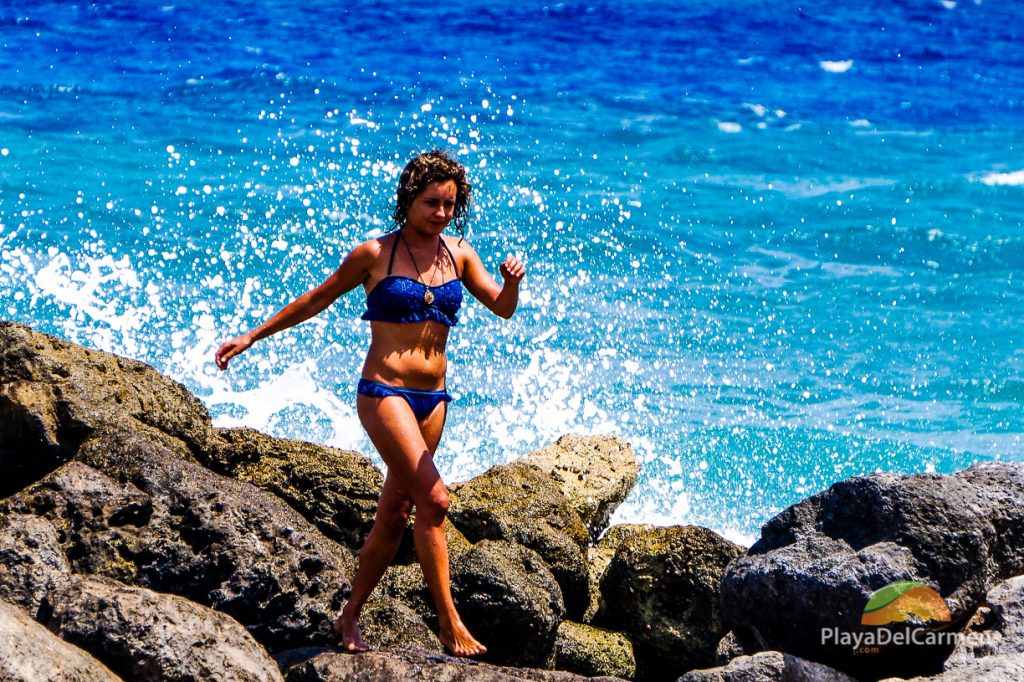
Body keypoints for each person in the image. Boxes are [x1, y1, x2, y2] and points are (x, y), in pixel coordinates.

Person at [214, 150, 524, 656]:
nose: (441, 213)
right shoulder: (374, 254)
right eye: (431, 203)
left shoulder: (460, 254)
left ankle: (349, 617)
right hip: (384, 393)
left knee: (396, 512)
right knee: (437, 500)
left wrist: (512, 284)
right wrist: (251, 337)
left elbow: (503, 309)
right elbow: (317, 299)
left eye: (449, 204)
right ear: (407, 200)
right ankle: (450, 625)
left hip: (433, 399)